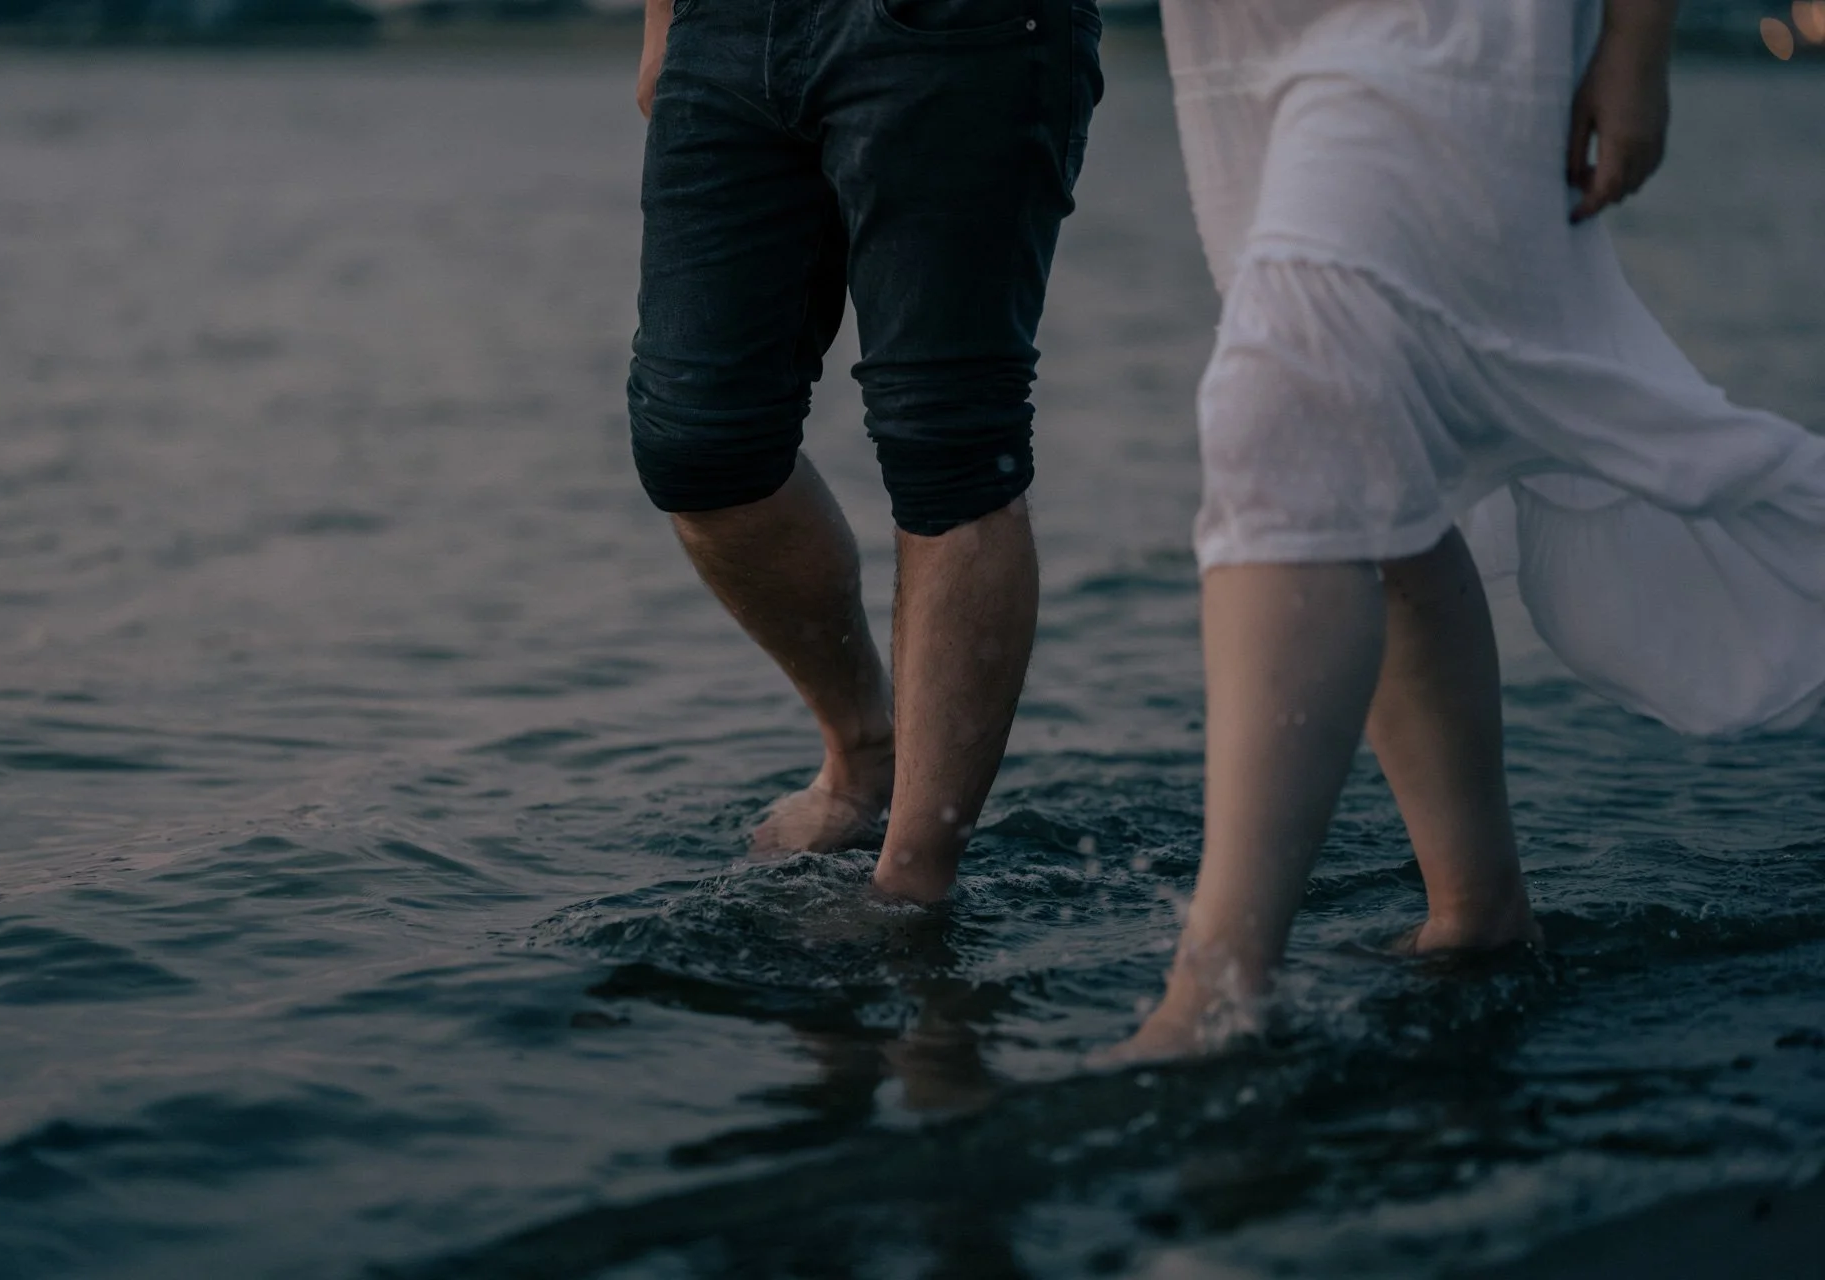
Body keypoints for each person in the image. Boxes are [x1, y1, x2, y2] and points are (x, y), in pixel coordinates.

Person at [1101, 0, 1825, 1064]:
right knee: (1369, 437)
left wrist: (1637, 36)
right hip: (1254, 31)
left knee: (1290, 401)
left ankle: (1215, 988)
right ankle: (1478, 909)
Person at [629, 0, 1103, 902]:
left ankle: (914, 880)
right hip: (723, 27)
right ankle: (863, 749)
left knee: (950, 446)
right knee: (697, 444)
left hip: (957, 31)